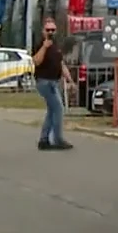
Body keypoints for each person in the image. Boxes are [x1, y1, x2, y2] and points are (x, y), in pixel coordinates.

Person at [33, 18, 74, 151]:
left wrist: (70, 80)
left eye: (53, 30)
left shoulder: (56, 45)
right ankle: (57, 139)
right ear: (43, 31)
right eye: (48, 30)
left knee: (52, 110)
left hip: (54, 81)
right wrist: (45, 47)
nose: (51, 32)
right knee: (58, 108)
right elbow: (36, 61)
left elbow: (61, 64)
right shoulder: (40, 44)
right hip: (44, 81)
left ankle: (44, 139)